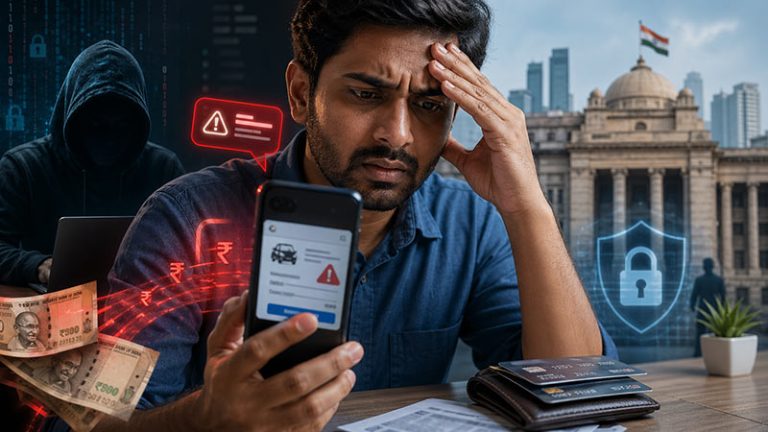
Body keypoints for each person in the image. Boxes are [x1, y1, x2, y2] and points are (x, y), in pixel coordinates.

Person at [94, 1, 617, 431]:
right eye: (367, 94)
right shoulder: (189, 220)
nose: (398, 135)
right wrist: (207, 418)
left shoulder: (471, 226)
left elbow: (572, 391)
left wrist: (527, 205)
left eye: (431, 106)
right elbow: (91, 423)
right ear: (302, 94)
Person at [0, 40, 185, 287]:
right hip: (44, 311)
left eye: (122, 127)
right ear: (74, 121)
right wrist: (39, 266)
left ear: (137, 126)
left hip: (139, 309)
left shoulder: (163, 169)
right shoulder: (21, 168)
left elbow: (191, 249)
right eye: (96, 126)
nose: (109, 140)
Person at [689, 258, 726, 357]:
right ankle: (714, 353)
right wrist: (723, 310)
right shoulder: (719, 280)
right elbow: (723, 297)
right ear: (713, 267)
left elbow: (694, 295)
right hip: (715, 310)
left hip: (702, 309)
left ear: (704, 267)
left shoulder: (699, 280)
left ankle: (698, 353)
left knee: (700, 333)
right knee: (714, 333)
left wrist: (692, 306)